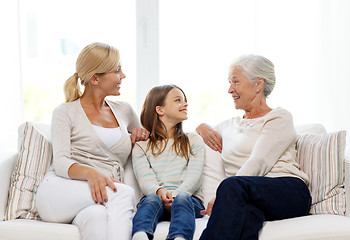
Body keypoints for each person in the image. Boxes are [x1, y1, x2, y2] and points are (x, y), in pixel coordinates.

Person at [36, 42, 149, 240]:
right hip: (59, 192)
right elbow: (61, 162)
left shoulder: (124, 110)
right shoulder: (65, 112)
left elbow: (150, 137)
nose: (123, 76)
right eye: (117, 70)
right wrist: (91, 174)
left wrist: (142, 134)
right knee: (123, 193)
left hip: (97, 199)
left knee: (97, 218)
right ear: (95, 78)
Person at [197, 55, 311, 240]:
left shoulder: (279, 117)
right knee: (246, 218)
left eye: (235, 82)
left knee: (231, 185)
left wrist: (224, 195)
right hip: (247, 197)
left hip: (289, 192)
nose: (229, 89)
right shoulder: (229, 125)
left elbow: (259, 161)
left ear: (258, 84)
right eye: (229, 82)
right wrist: (201, 127)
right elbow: (190, 137)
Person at [131, 85, 205, 240]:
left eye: (185, 101)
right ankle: (140, 235)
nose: (185, 104)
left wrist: (176, 195)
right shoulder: (141, 146)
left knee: (183, 198)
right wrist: (160, 192)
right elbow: (145, 180)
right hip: (156, 197)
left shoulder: (193, 140)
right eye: (178, 100)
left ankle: (179, 237)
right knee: (150, 199)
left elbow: (194, 177)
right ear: (160, 110)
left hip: (189, 199)